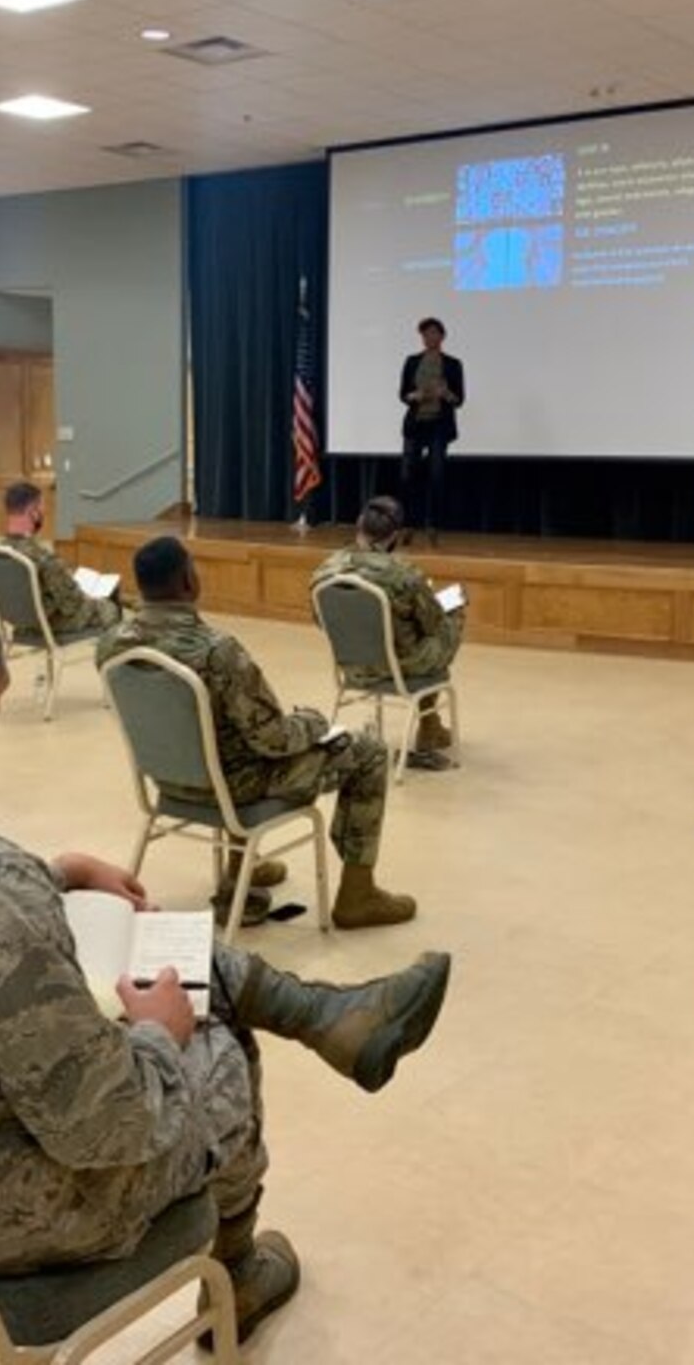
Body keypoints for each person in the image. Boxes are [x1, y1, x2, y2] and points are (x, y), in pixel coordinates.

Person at [0, 594, 451, 1342]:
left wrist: (55, 873)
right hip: (6, 1226)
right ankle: (235, 1277)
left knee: (155, 950)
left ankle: (329, 1016)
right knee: (219, 1045)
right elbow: (109, 1130)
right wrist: (157, 1038)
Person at [99, 536, 416, 930]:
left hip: (169, 783)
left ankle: (242, 877)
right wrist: (315, 723)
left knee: (227, 739)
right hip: (235, 792)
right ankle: (357, 895)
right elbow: (274, 739)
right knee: (367, 751)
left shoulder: (111, 646)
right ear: (187, 582)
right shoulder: (218, 651)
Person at [312, 495, 462, 766]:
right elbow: (432, 624)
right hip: (400, 669)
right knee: (452, 614)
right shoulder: (404, 574)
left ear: (359, 525)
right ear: (395, 535)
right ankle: (429, 726)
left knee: (418, 634)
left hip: (352, 668)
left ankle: (431, 724)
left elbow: (320, 620)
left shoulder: (324, 571)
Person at [0, 480, 122, 640]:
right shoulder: (42, 556)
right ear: (33, 511)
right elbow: (72, 604)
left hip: (20, 623)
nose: (44, 511)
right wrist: (89, 594)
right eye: (42, 506)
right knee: (109, 605)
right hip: (49, 624)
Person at [397, 317, 464, 540]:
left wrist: (446, 394)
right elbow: (403, 394)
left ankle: (433, 523)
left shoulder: (453, 364)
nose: (430, 337)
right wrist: (415, 396)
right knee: (408, 475)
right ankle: (408, 523)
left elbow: (459, 399)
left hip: (439, 425)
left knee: (436, 474)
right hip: (416, 423)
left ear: (442, 336)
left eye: (434, 333)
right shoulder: (412, 361)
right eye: (425, 334)